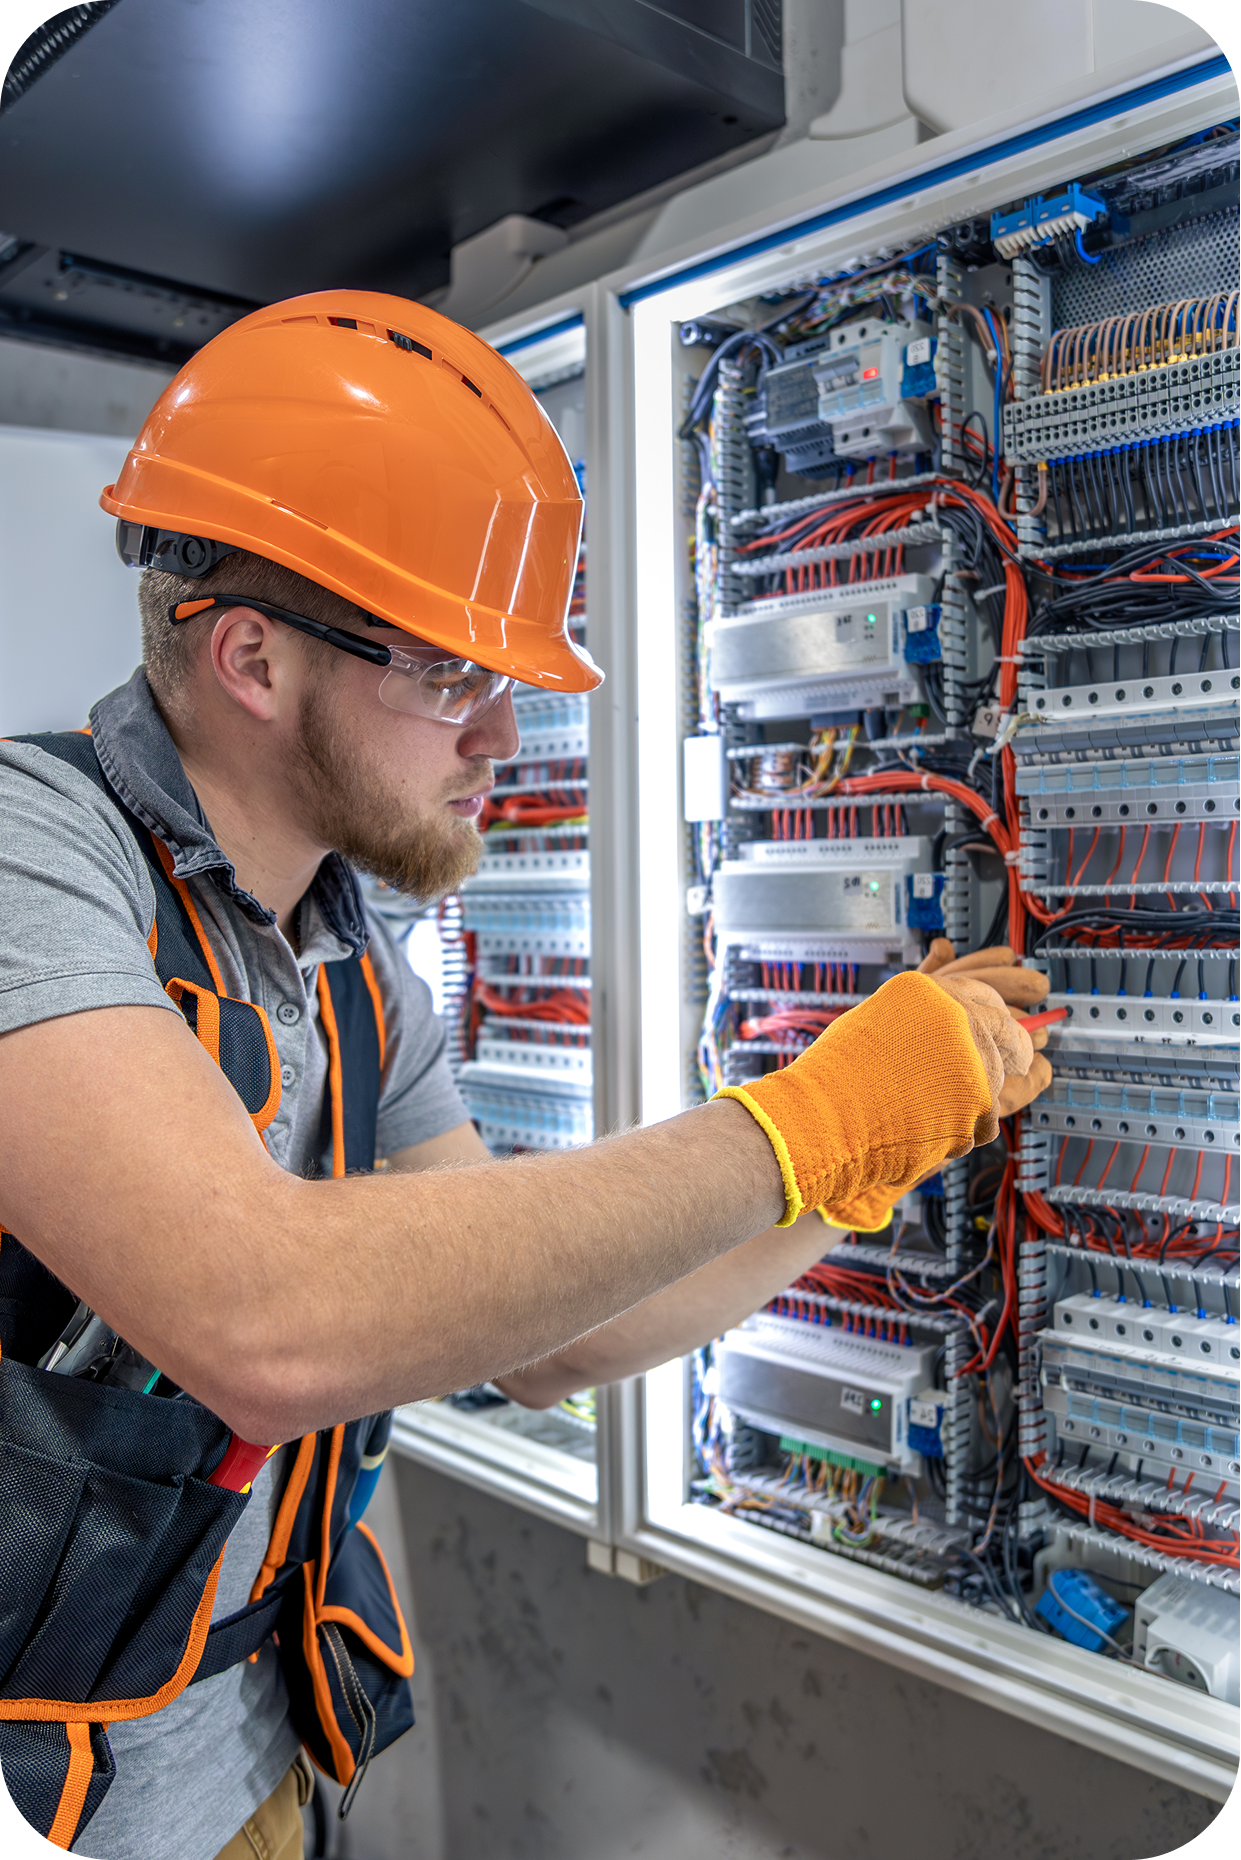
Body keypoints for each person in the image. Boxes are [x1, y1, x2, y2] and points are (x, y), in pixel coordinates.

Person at [0, 290, 1050, 1860]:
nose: (503, 734)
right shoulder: (33, 859)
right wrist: (812, 1114)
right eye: (449, 674)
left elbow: (563, 1335)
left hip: (252, 1772)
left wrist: (865, 1161)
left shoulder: (347, 963)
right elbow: (259, 1316)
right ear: (253, 659)